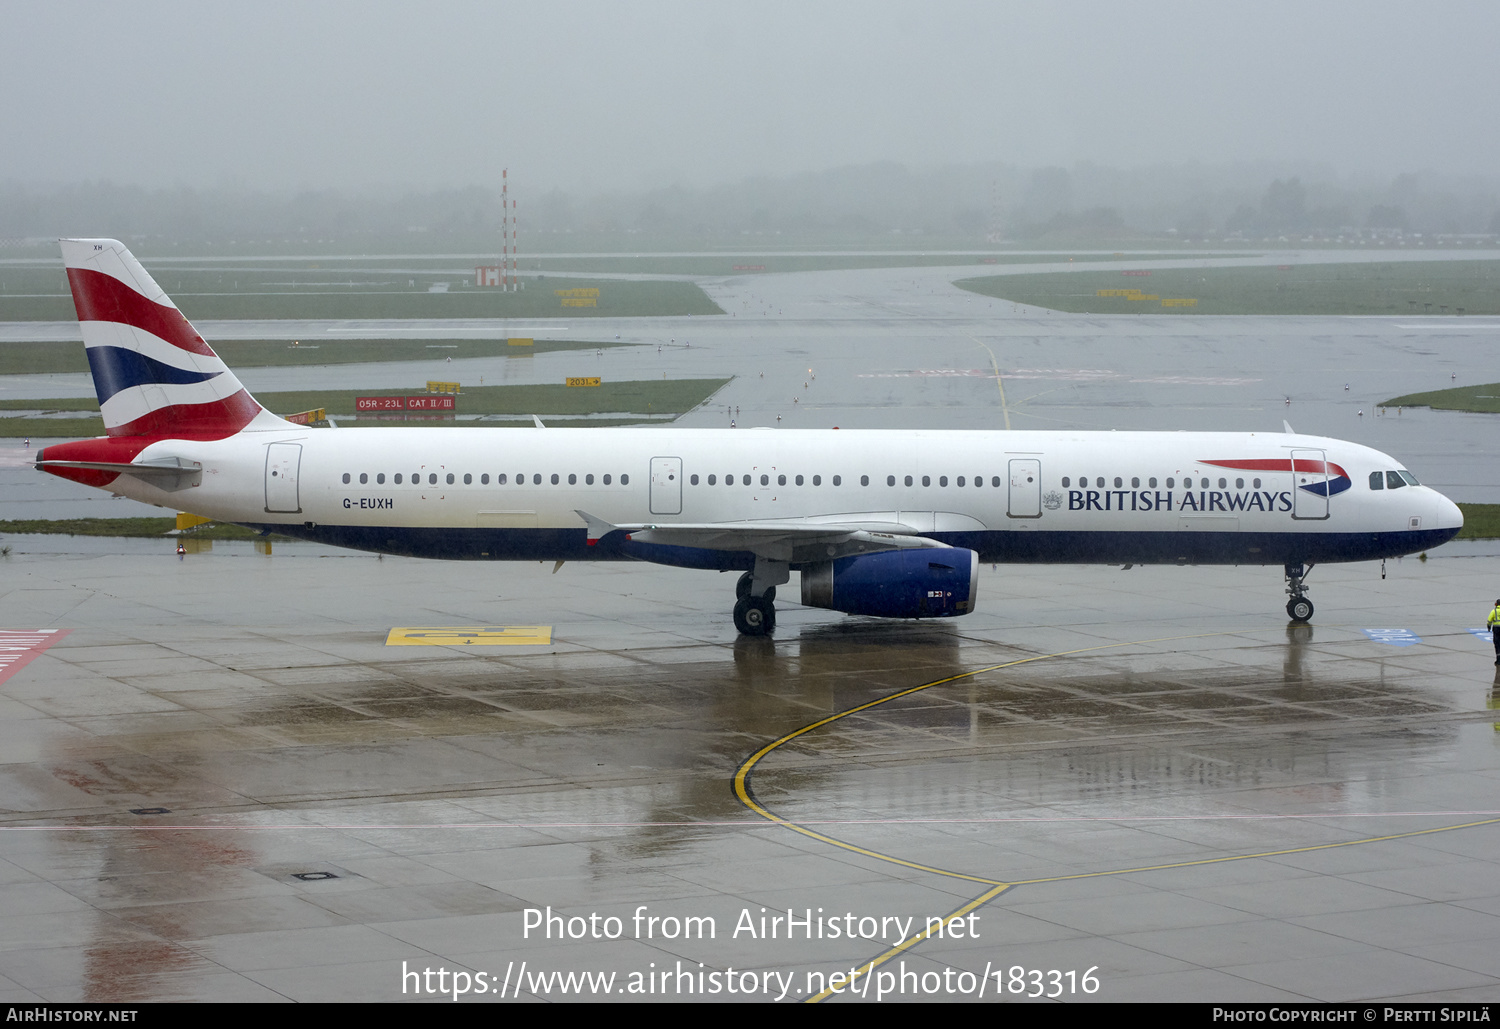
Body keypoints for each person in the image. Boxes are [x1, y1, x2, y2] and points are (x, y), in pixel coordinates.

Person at [1489, 599, 1500, 665]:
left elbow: (1490, 619)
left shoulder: (1494, 611)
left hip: (1496, 629)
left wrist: (1488, 626)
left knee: (1497, 643)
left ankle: (1498, 659)